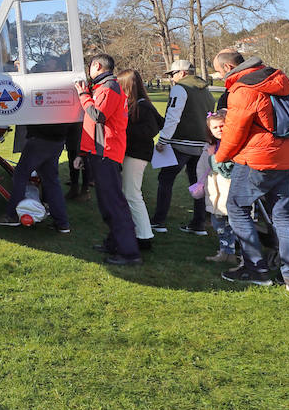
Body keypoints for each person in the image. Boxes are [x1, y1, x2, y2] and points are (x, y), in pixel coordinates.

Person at [211, 49, 289, 291]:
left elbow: (234, 132)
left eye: (220, 71)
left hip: (258, 159)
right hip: (288, 156)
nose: (220, 77)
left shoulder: (243, 90)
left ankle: (256, 269)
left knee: (237, 208)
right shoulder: (279, 79)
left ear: (229, 67)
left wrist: (220, 156)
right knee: (283, 215)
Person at [75, 54, 140, 265]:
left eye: (90, 67)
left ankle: (129, 253)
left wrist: (83, 94)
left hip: (107, 153)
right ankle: (114, 243)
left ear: (97, 66)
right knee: (107, 203)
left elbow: (97, 115)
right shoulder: (106, 87)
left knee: (114, 203)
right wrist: (83, 153)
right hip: (101, 152)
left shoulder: (108, 87)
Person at [153, 59, 216, 235]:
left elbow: (173, 117)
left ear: (182, 73)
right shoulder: (205, 90)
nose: (172, 78)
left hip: (181, 143)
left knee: (165, 181)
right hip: (201, 143)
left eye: (172, 74)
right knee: (197, 184)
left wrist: (163, 140)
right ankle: (199, 223)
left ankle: (159, 221)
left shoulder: (180, 88)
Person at [0, 121, 72, 233]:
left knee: (20, 176)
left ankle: (12, 215)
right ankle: (62, 223)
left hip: (40, 138)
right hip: (58, 139)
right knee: (51, 181)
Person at [116, 69, 159, 250]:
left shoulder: (142, 106)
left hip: (137, 154)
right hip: (133, 153)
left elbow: (153, 128)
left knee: (133, 194)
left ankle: (144, 236)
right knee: (130, 193)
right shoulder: (137, 105)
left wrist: (123, 129)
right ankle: (138, 232)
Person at [193, 109, 240, 264]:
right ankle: (225, 251)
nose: (219, 129)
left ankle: (233, 253)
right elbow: (202, 167)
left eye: (222, 126)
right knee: (218, 223)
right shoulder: (211, 145)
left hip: (231, 192)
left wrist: (214, 158)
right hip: (216, 193)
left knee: (234, 224)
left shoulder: (233, 145)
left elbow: (228, 170)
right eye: (215, 127)